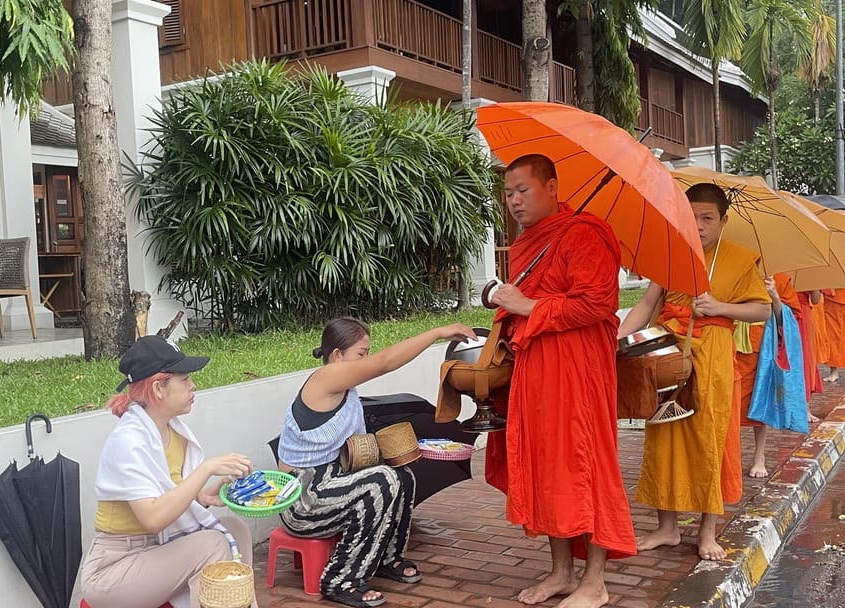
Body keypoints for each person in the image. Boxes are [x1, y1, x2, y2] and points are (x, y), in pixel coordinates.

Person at [484, 154, 636, 608]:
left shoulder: (585, 234)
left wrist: (528, 307)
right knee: (545, 462)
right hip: (536, 368)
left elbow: (597, 304)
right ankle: (561, 572)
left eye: (522, 190)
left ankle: (596, 581)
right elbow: (528, 300)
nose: (513, 201)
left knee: (584, 464)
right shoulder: (531, 240)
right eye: (508, 193)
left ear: (552, 188)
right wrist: (510, 308)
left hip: (578, 370)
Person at [277, 317, 476, 608]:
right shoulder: (324, 379)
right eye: (361, 353)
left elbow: (354, 452)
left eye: (367, 353)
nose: (366, 360)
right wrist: (437, 332)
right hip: (302, 500)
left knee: (402, 473)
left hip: (332, 483)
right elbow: (384, 362)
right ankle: (340, 579)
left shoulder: (346, 391)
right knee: (381, 480)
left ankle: (386, 557)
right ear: (337, 356)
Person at [619, 183, 770, 561]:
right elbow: (648, 303)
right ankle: (667, 527)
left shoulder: (739, 258)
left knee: (710, 442)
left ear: (723, 220)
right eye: (692, 217)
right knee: (664, 436)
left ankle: (707, 532)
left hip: (713, 358)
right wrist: (618, 339)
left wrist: (721, 306)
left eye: (707, 218)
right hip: (670, 354)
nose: (699, 226)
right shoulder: (672, 256)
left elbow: (762, 310)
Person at [80, 335, 257, 608]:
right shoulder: (128, 440)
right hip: (114, 569)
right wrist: (207, 468)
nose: (193, 385)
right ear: (158, 388)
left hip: (156, 550)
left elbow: (170, 496)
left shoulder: (173, 432)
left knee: (235, 529)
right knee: (211, 544)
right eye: (184, 379)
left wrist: (204, 496)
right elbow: (153, 517)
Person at [734, 273, 800, 478]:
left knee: (760, 402)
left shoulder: (778, 277)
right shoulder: (731, 270)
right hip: (729, 343)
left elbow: (793, 317)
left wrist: (775, 297)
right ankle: (729, 458)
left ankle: (759, 456)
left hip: (760, 347)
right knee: (727, 406)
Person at [822, 288, 845, 383]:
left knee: (833, 334)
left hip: (835, 296)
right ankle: (833, 370)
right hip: (834, 297)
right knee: (832, 334)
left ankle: (834, 372)